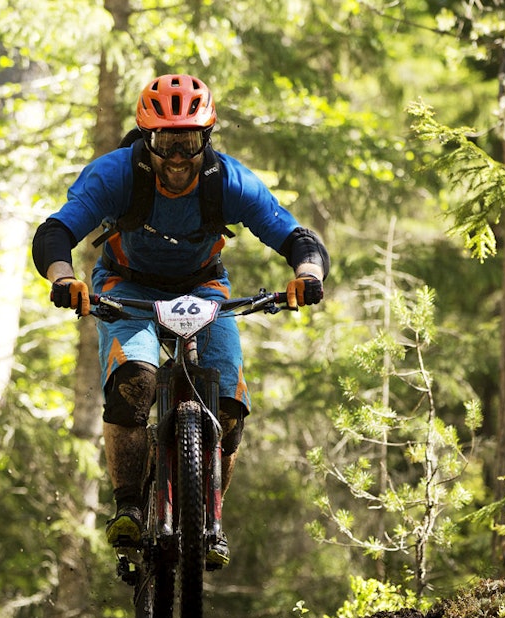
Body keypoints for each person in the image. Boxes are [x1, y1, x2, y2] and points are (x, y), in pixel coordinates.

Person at [31, 73, 329, 568]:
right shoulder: (116, 176)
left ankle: (209, 518)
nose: (175, 157)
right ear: (146, 139)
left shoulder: (228, 182)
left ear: (205, 139)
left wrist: (308, 273)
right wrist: (63, 277)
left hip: (204, 288)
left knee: (229, 406)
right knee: (135, 380)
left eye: (187, 142)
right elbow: (56, 231)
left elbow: (295, 236)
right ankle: (128, 505)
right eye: (165, 142)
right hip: (126, 287)